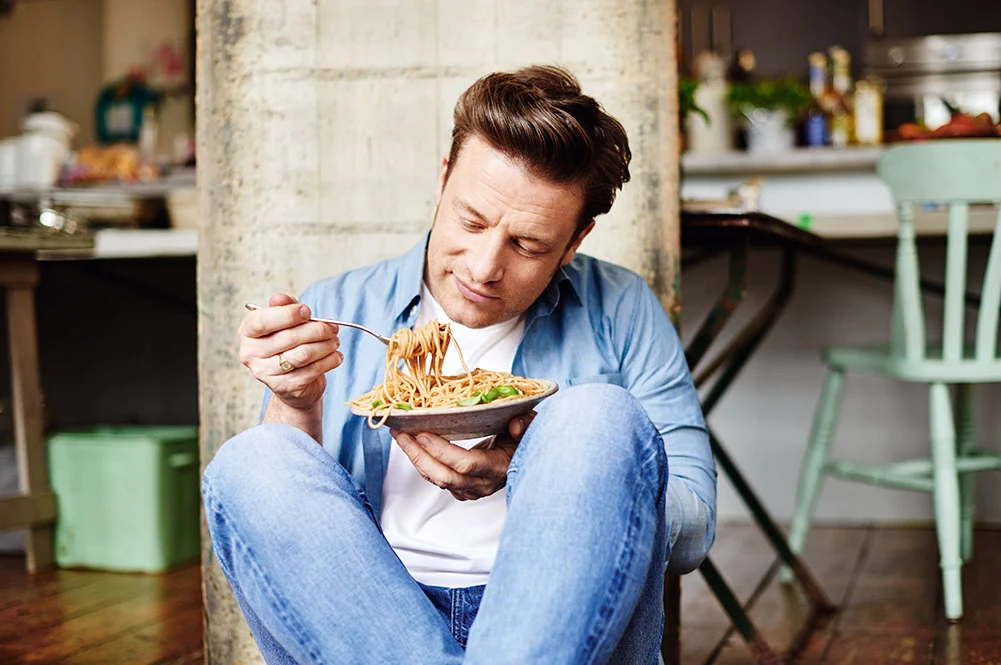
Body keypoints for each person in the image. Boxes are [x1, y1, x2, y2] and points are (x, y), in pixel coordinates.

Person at [202, 64, 716, 665]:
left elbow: (694, 527)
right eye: (471, 221)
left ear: (575, 242)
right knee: (253, 459)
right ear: (443, 179)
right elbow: (295, 523)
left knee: (595, 416)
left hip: (567, 619)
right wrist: (295, 401)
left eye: (527, 245)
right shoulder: (342, 306)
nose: (483, 267)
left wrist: (554, 471)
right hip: (373, 627)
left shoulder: (621, 308)